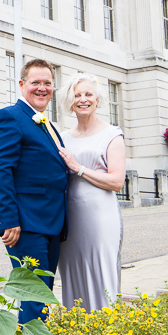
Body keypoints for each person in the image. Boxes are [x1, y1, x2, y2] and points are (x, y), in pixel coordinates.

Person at [0, 58, 68, 324]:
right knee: (35, 297)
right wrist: (8, 219)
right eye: (35, 83)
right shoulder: (9, 116)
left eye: (47, 83)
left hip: (50, 223)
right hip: (26, 224)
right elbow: (0, 169)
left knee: (42, 295)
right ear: (22, 85)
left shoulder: (46, 124)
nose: (42, 88)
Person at [55, 73, 126, 312]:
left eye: (88, 94)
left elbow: (117, 181)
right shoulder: (62, 138)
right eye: (77, 95)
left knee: (102, 272)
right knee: (72, 273)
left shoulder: (112, 134)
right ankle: (79, 334)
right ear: (69, 101)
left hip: (101, 217)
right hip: (70, 219)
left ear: (97, 99)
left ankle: (106, 331)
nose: (83, 99)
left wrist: (79, 168)